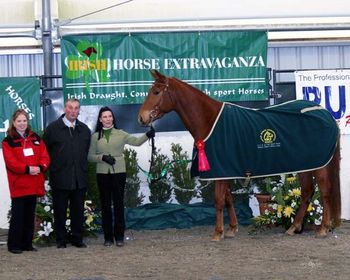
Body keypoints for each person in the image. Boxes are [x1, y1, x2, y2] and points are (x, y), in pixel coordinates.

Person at [88, 106, 155, 247]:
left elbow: (135, 142)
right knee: (105, 205)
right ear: (100, 119)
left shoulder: (121, 133)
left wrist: (147, 135)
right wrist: (102, 157)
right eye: (104, 117)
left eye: (109, 116)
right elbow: (90, 157)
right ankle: (107, 237)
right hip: (102, 173)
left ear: (113, 118)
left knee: (118, 204)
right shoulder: (95, 136)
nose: (107, 119)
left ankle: (119, 236)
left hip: (118, 172)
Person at [44, 98, 91, 249]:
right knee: (60, 211)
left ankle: (77, 238)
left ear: (79, 110)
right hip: (60, 178)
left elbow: (86, 151)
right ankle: (61, 239)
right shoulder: (52, 128)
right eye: (70, 107)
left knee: (78, 211)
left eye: (76, 108)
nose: (73, 111)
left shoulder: (84, 129)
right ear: (65, 109)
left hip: (79, 178)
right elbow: (45, 152)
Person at [2, 109, 50, 254]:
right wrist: (28, 169)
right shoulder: (8, 141)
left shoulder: (36, 138)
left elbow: (45, 156)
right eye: (19, 121)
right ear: (14, 123)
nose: (22, 124)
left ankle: (27, 244)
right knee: (18, 216)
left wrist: (41, 167)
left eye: (24, 121)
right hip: (19, 185)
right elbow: (11, 162)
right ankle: (14, 245)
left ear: (27, 121)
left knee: (29, 216)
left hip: (34, 184)